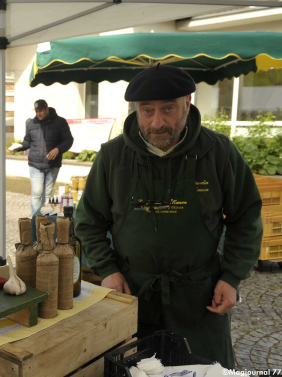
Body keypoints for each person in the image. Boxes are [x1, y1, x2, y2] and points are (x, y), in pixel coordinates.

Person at [75, 65, 262, 369]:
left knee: (204, 371)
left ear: (187, 103)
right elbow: (88, 220)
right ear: (136, 110)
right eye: (147, 111)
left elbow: (246, 216)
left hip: (200, 301)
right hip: (134, 296)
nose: (157, 122)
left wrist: (232, 276)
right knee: (136, 371)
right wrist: (107, 269)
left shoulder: (219, 152)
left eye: (168, 109)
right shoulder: (113, 156)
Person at [12, 99, 73, 216]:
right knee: (36, 193)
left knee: (47, 194)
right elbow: (27, 141)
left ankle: (45, 218)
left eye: (41, 110)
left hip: (52, 165)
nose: (38, 113)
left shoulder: (60, 122)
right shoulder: (31, 123)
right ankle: (35, 217)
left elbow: (69, 140)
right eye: (36, 111)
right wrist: (20, 146)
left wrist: (58, 149)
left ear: (47, 109)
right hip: (35, 164)